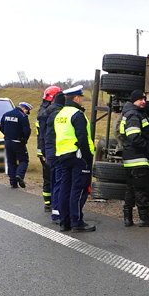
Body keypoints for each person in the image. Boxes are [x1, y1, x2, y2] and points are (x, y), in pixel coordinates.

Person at [52, 85, 95, 232]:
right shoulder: (77, 114)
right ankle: (77, 222)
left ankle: (65, 222)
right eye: (81, 97)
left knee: (65, 189)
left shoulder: (61, 114)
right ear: (76, 98)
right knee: (78, 189)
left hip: (63, 155)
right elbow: (82, 138)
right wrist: (88, 157)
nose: (82, 100)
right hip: (78, 156)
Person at [118, 89, 149, 227]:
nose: (143, 102)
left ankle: (128, 218)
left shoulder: (131, 114)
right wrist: (148, 151)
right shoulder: (135, 116)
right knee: (141, 189)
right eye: (140, 99)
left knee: (130, 189)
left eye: (144, 99)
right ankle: (144, 218)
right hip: (138, 158)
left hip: (130, 159)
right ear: (133, 101)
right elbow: (134, 137)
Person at [36, 85, 62, 212]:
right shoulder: (49, 113)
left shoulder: (42, 111)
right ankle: (50, 203)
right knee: (51, 178)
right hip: (48, 150)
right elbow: (45, 135)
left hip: (43, 149)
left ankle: (49, 202)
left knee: (48, 177)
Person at [44, 91, 67, 226]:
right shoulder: (58, 114)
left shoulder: (45, 112)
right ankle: (57, 212)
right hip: (58, 152)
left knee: (53, 181)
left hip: (49, 152)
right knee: (60, 182)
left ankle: (54, 209)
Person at [0, 102, 32, 188]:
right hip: (18, 142)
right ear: (24, 108)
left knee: (11, 162)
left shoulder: (6, 115)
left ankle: (13, 182)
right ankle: (19, 175)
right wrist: (24, 139)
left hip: (7, 142)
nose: (27, 113)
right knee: (24, 160)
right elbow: (27, 131)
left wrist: (8, 135)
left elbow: (1, 128)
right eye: (27, 111)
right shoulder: (22, 116)